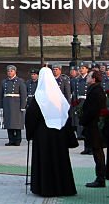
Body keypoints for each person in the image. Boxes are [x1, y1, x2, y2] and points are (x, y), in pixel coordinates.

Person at [25, 65, 76, 197]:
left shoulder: (40, 96)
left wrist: (29, 133)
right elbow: (66, 113)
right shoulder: (58, 95)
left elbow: (31, 115)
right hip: (59, 134)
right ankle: (64, 187)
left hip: (43, 134)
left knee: (46, 160)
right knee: (60, 160)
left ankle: (46, 188)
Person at [81, 70, 107, 188]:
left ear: (94, 79)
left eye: (89, 76)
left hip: (95, 126)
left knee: (98, 152)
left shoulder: (96, 90)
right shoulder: (94, 89)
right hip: (93, 125)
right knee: (97, 152)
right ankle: (100, 176)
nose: (87, 77)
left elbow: (93, 109)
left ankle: (100, 178)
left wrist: (83, 119)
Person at [0, 65, 26, 146]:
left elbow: (24, 94)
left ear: (15, 72)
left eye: (11, 71)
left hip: (16, 104)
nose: (9, 73)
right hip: (7, 103)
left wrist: (22, 106)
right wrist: (1, 105)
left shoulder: (20, 81)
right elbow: (1, 94)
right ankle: (11, 140)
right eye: (8, 71)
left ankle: (17, 140)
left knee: (16, 123)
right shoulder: (4, 82)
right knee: (8, 123)